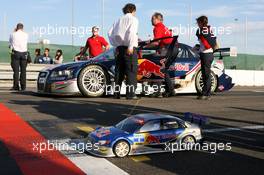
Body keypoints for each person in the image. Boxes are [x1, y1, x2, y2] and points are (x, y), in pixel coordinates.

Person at [108, 3, 139, 100]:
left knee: (119, 72)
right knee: (131, 71)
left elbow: (109, 33)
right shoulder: (133, 19)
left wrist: (116, 44)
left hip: (119, 48)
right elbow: (132, 32)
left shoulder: (117, 20)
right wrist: (130, 46)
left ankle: (116, 94)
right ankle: (130, 94)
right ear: (133, 10)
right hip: (128, 48)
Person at [146, 12, 176, 97]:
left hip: (167, 49)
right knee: (164, 70)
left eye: (152, 19)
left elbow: (156, 43)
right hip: (173, 49)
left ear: (158, 19)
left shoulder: (158, 27)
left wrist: (146, 46)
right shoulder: (163, 27)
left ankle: (158, 92)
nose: (151, 20)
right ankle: (170, 91)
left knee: (156, 67)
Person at [195, 15, 217, 100]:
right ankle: (206, 93)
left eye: (198, 22)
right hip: (208, 54)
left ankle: (206, 94)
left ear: (201, 23)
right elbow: (212, 42)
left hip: (206, 54)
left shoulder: (202, 30)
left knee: (206, 74)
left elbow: (206, 44)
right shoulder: (209, 30)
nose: (197, 24)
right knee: (205, 74)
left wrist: (199, 49)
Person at [9, 23, 29, 91]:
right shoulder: (26, 34)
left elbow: (10, 44)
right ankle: (23, 87)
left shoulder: (12, 34)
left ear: (16, 27)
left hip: (16, 53)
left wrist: (14, 31)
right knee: (23, 71)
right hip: (24, 53)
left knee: (16, 71)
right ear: (22, 28)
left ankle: (16, 86)